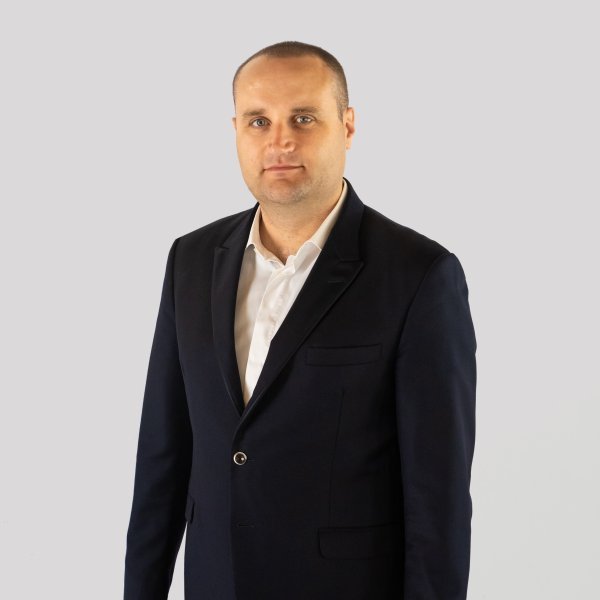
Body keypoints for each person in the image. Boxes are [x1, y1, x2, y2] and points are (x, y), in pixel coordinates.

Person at [124, 40, 477, 600]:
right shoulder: (190, 259)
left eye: (304, 118)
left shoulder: (418, 275)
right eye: (258, 121)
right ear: (236, 130)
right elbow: (162, 460)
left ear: (348, 125)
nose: (280, 141)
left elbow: (438, 501)